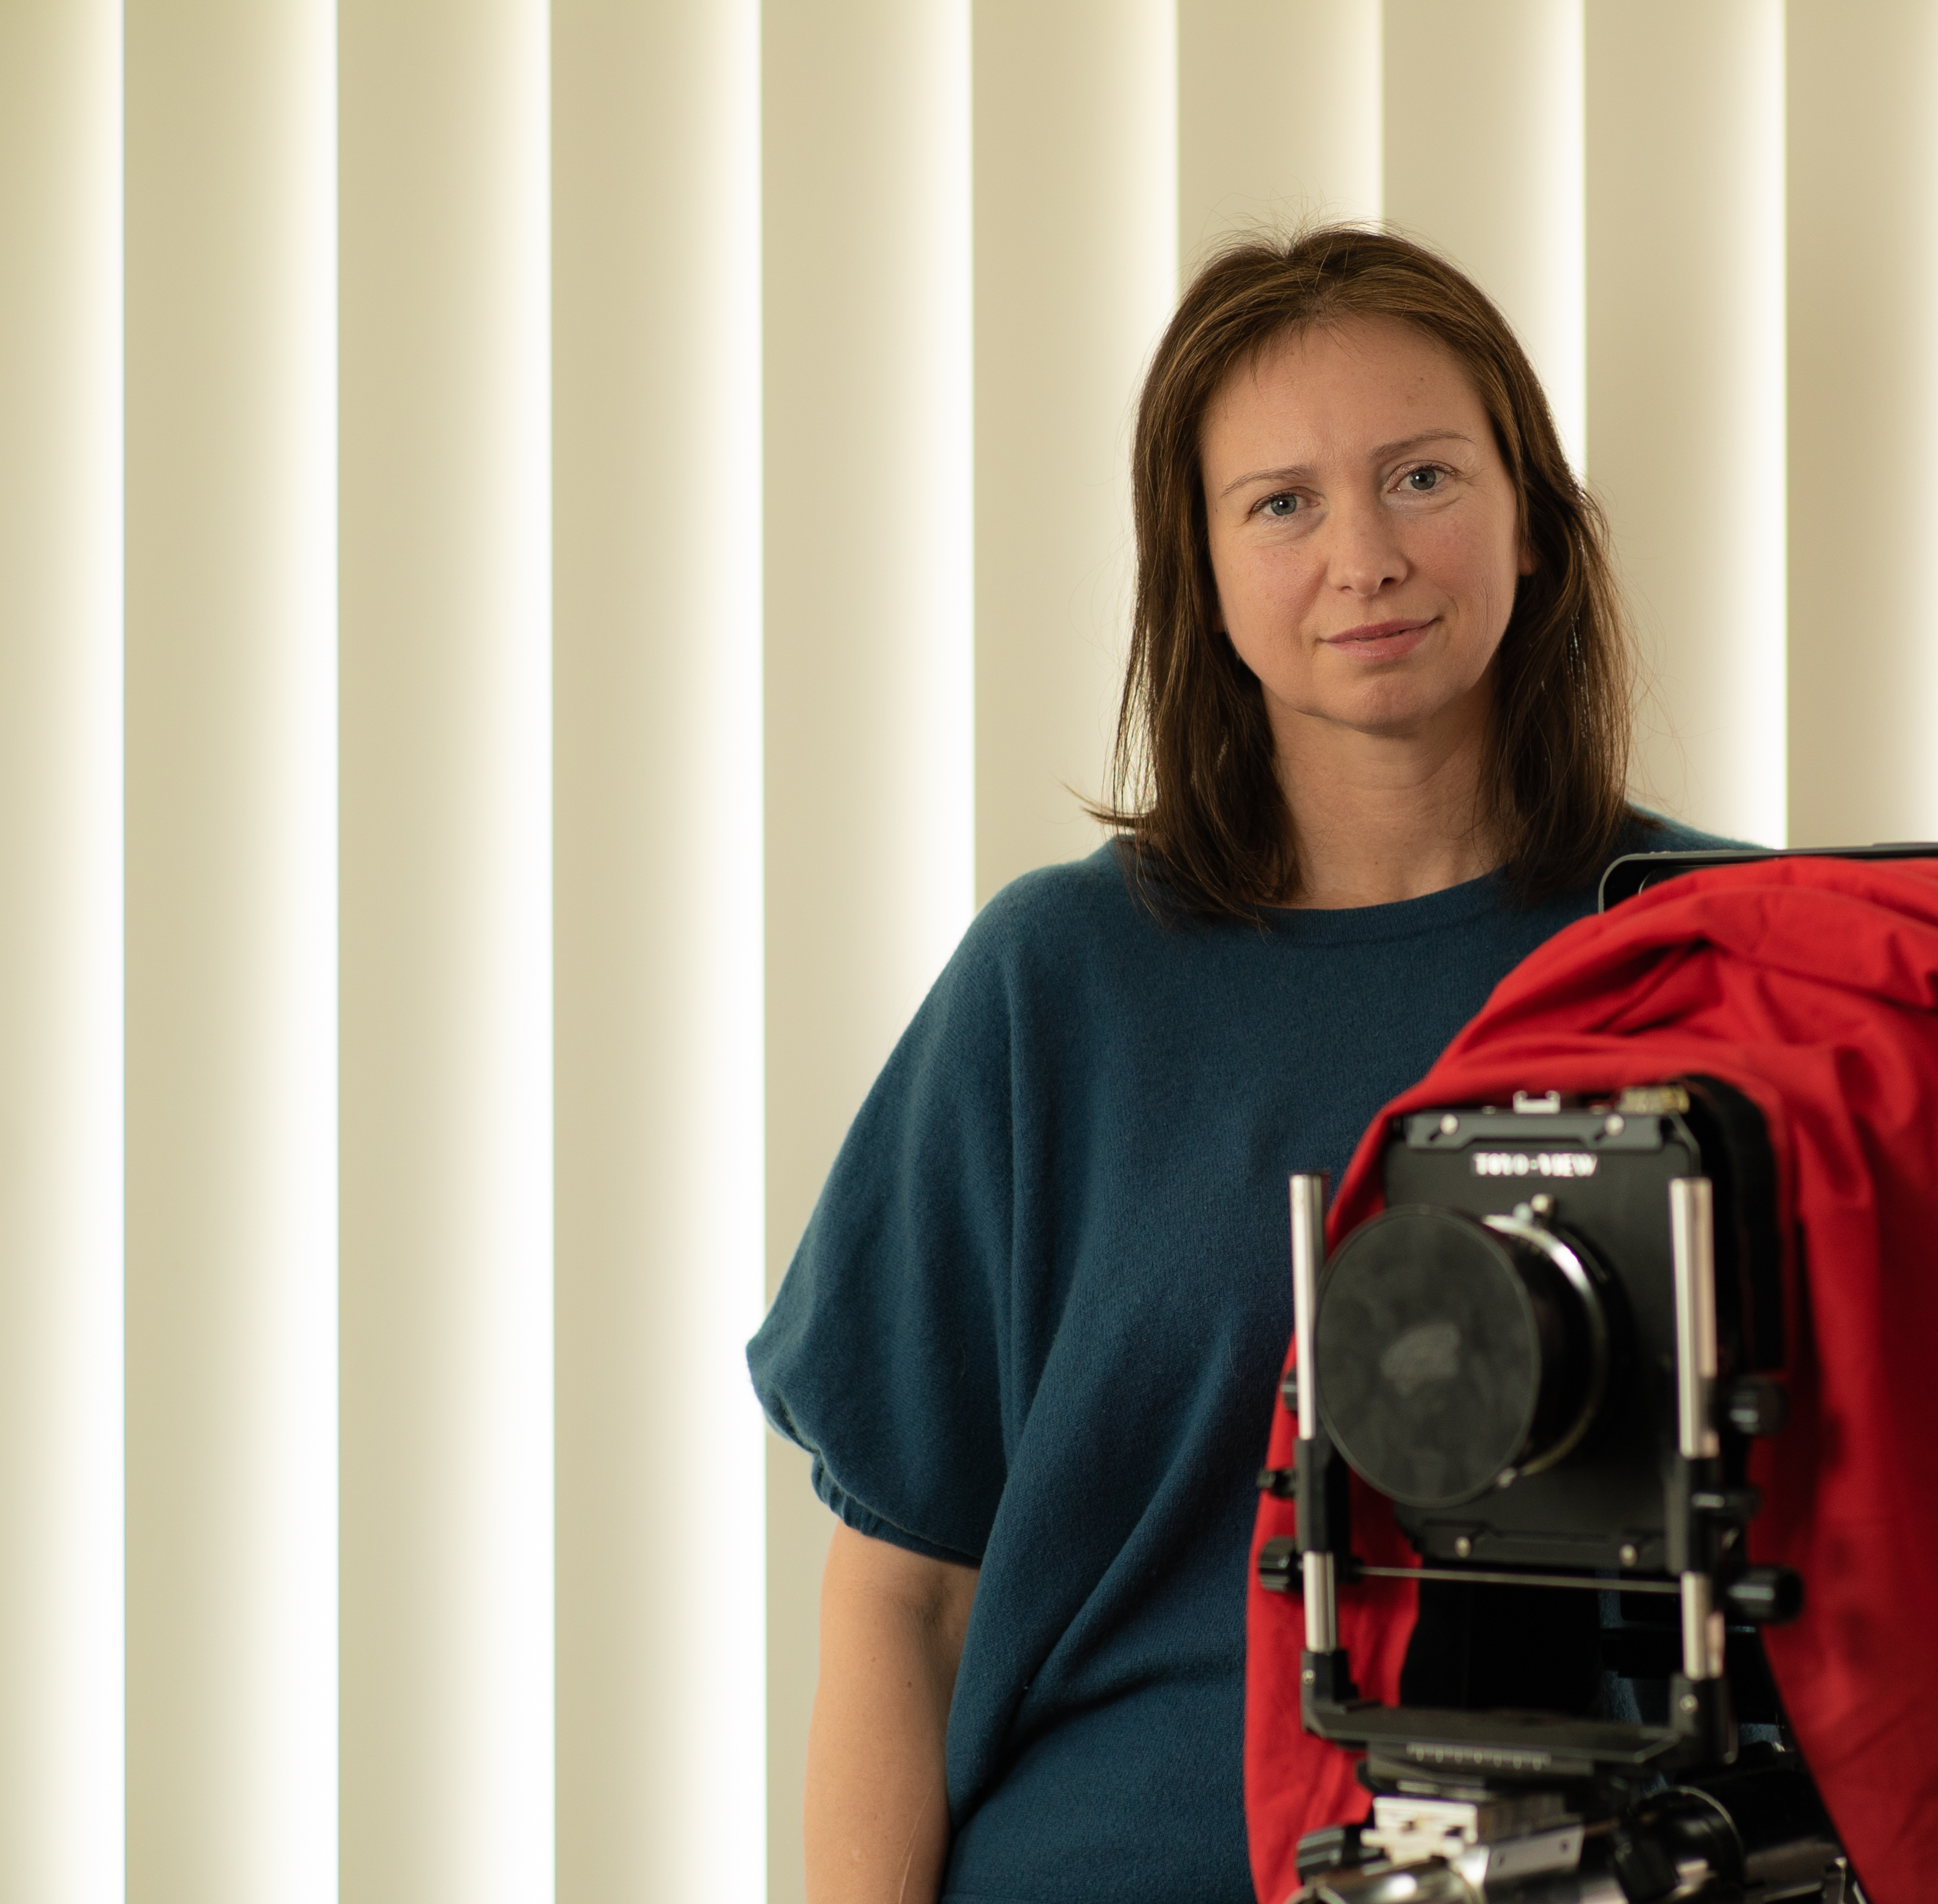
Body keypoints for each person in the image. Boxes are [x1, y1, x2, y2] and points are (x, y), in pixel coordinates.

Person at [748, 225, 1739, 1904]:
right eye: (1280, 501)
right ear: (1196, 572)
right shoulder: (1055, 985)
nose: (1362, 554)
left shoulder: (1725, 957)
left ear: (1533, 523)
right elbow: (900, 1597)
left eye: (1420, 476)